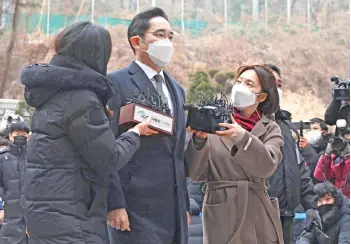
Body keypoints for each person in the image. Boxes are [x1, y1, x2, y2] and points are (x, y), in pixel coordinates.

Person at [20, 21, 155, 244]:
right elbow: (109, 158)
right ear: (97, 55)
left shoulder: (52, 93)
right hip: (72, 217)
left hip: (45, 212)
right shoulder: (82, 99)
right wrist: (135, 133)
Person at [107, 8, 189, 244]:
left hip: (172, 208)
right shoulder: (115, 83)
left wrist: (182, 202)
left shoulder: (177, 90)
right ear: (137, 41)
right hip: (134, 207)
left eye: (170, 36)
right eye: (159, 34)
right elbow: (107, 147)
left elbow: (178, 152)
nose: (167, 42)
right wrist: (114, 203)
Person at [186, 64, 284, 244]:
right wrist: (199, 141)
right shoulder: (215, 121)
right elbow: (196, 174)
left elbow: (267, 166)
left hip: (258, 210)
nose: (240, 87)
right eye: (239, 81)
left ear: (261, 96)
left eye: (249, 84)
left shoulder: (270, 128)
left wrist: (241, 136)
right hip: (222, 210)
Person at [266, 63, 320, 244]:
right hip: (257, 212)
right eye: (272, 83)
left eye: (280, 85)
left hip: (286, 213)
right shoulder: (246, 124)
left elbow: (298, 167)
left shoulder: (285, 125)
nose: (277, 89)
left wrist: (311, 205)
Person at [0, 122, 29, 243]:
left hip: (33, 217)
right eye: (17, 133)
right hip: (9, 215)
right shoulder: (2, 158)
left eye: (24, 134)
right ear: (10, 136)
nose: (20, 136)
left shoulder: (36, 156)